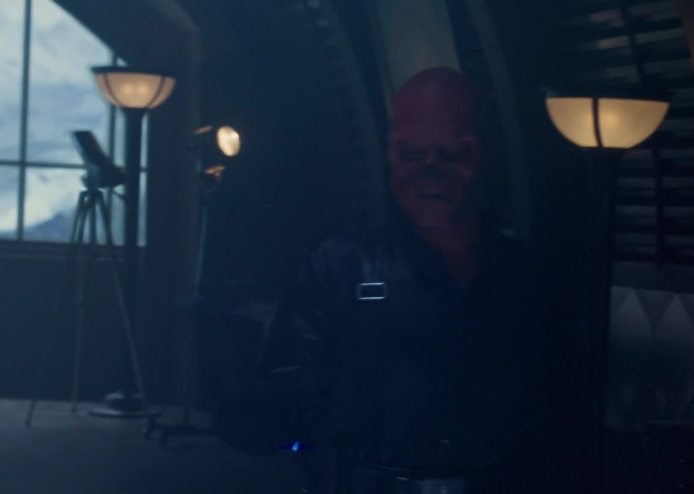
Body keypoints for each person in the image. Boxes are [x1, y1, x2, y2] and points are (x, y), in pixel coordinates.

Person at [215, 67, 583, 493]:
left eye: (452, 153)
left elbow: (557, 406)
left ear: (483, 156)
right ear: (391, 155)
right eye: (412, 153)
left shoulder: (529, 276)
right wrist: (253, 410)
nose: (431, 169)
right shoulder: (342, 267)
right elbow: (294, 381)